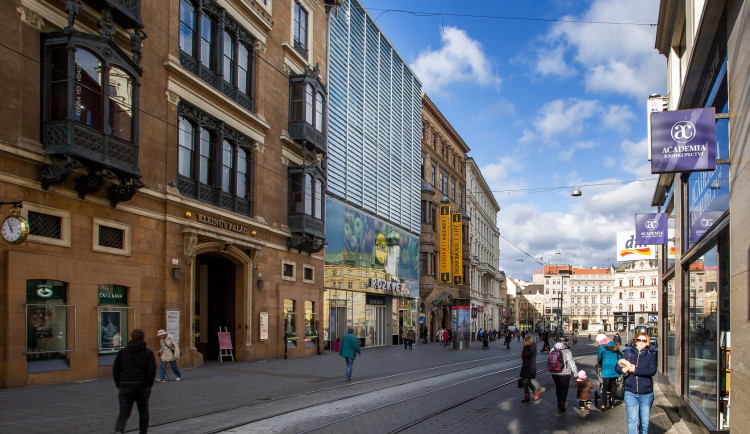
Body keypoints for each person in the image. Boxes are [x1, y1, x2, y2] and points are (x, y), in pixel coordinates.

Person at [113, 329, 156, 434]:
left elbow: (116, 370)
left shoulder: (122, 352)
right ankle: (143, 432)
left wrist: (120, 384)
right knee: (143, 411)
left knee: (123, 413)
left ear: (131, 338)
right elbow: (151, 372)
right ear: (143, 338)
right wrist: (148, 385)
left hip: (126, 387)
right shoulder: (148, 353)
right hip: (142, 387)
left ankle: (119, 430)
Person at [616, 332, 658, 434]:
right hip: (630, 392)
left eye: (644, 341)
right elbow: (617, 366)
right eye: (639, 340)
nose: (641, 342)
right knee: (632, 420)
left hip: (646, 393)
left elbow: (652, 371)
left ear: (647, 342)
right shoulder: (628, 353)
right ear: (635, 341)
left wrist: (636, 370)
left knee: (645, 421)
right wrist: (623, 370)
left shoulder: (651, 355)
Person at [549, 337, 578, 412]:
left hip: (554, 372)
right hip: (565, 373)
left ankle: (559, 402)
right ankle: (562, 403)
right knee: (564, 388)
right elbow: (571, 363)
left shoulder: (552, 349)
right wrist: (575, 374)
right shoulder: (567, 351)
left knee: (558, 387)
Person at [597, 337, 622, 411]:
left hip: (606, 368)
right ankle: (612, 403)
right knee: (613, 387)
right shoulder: (614, 346)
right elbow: (619, 356)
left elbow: (599, 358)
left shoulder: (602, 347)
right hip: (614, 368)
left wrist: (600, 361)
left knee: (604, 387)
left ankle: (603, 404)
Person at [520, 336, 541, 402]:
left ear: (529, 341)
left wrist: (525, 347)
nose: (524, 342)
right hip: (525, 367)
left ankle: (535, 392)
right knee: (524, 381)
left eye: (525, 341)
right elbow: (523, 356)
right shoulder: (527, 347)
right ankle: (527, 396)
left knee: (527, 381)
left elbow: (527, 354)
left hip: (531, 367)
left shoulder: (532, 347)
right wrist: (525, 347)